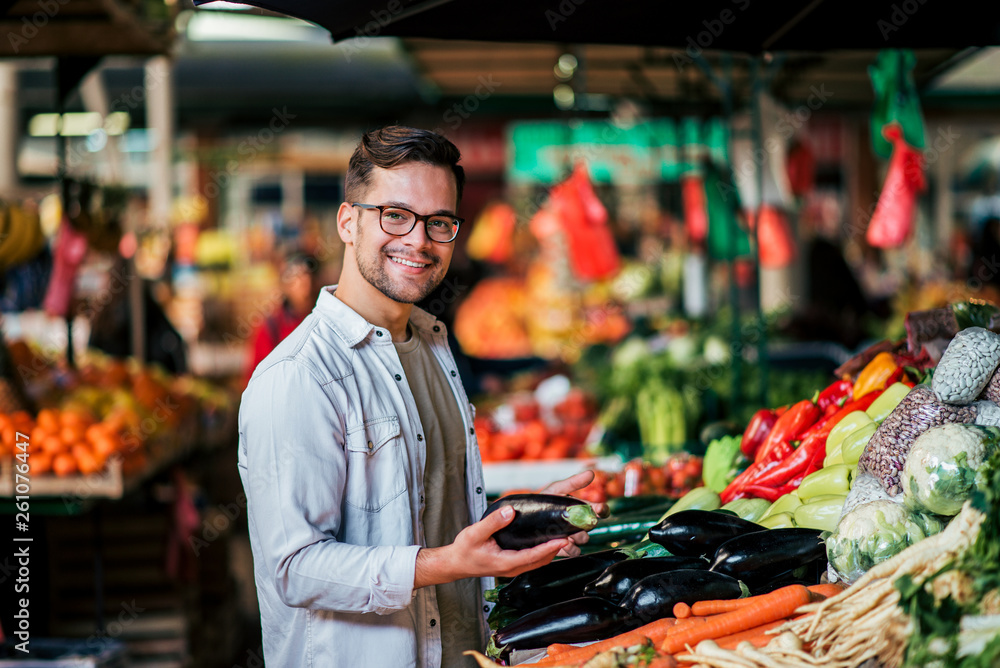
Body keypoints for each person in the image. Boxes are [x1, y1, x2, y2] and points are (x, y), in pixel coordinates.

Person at [238, 126, 601, 667]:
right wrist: (445, 564)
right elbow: (294, 567)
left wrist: (513, 522)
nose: (418, 240)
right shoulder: (298, 376)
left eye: (439, 223)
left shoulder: (431, 348)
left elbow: (430, 523)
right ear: (347, 221)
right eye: (395, 215)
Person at [242, 250, 321, 386]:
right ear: (285, 284)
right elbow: (255, 378)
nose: (304, 282)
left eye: (307, 275)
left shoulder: (325, 321)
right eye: (296, 276)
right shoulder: (271, 328)